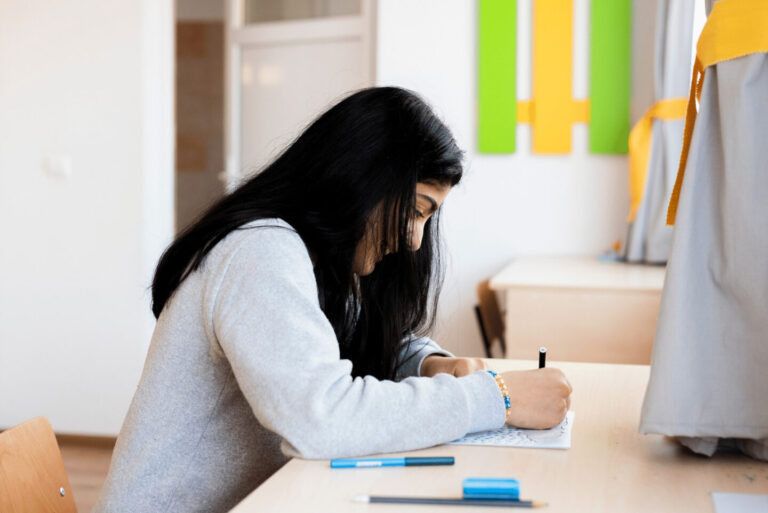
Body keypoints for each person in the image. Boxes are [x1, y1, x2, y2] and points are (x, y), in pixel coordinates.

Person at [94, 87, 572, 512]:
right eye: (417, 211)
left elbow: (348, 338)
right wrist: (497, 398)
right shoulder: (260, 251)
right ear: (361, 178)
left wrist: (426, 364)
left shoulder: (314, 256)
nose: (414, 241)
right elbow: (321, 419)